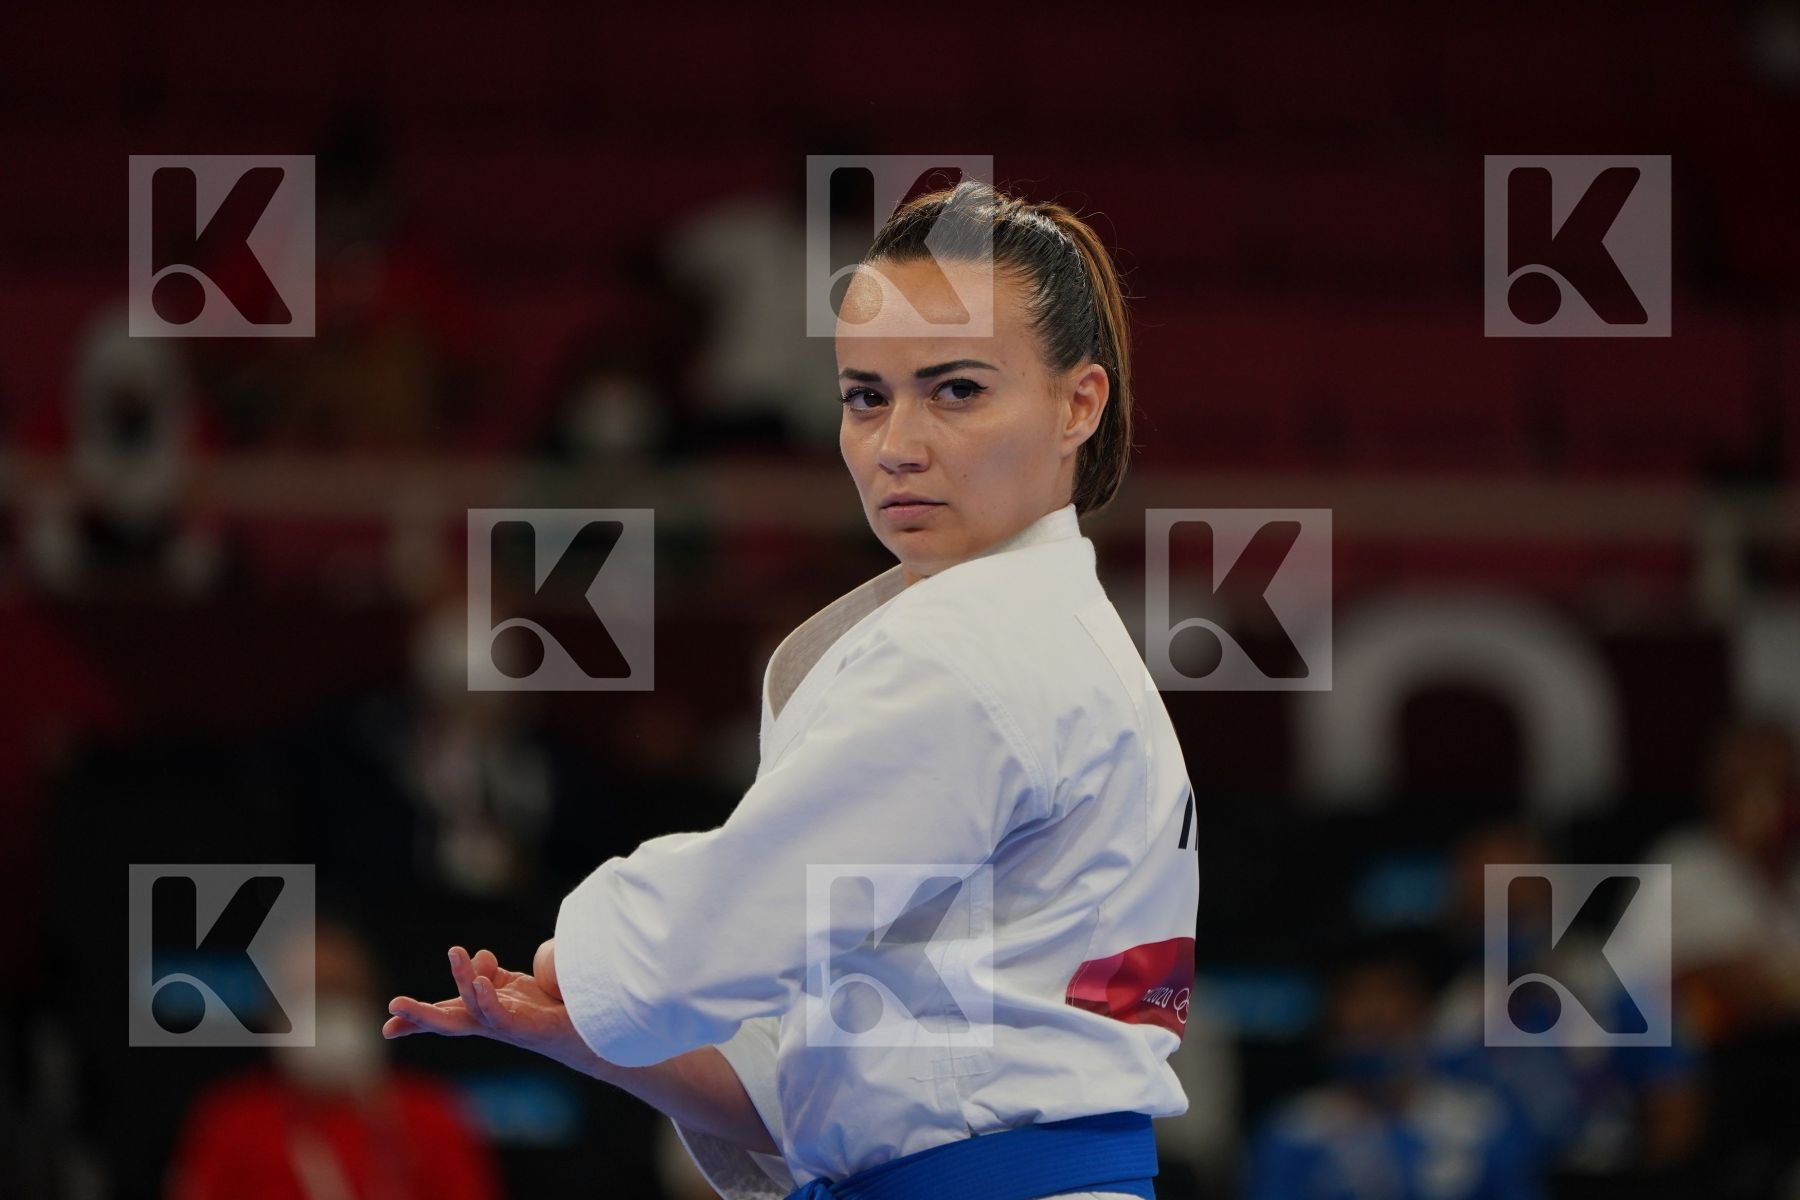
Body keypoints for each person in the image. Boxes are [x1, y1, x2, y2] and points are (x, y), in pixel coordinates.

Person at [384, 179, 1199, 1200]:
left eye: (957, 390)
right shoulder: (1032, 633)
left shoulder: (980, 647)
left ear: (1080, 402)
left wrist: (588, 961)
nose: (898, 443)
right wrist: (584, 1035)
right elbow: (824, 1092)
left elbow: (722, 929)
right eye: (866, 396)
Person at [165, 918, 502, 1200]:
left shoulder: (434, 1116)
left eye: (339, 990)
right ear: (272, 1015)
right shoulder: (231, 1123)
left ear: (373, 999)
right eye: (305, 994)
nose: (325, 1009)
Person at [1242, 939, 1542, 1200]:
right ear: (1330, 1029)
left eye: (1390, 999)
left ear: (1422, 1017)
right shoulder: (1294, 1132)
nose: (1372, 1013)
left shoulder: (1485, 1124)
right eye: (1356, 1001)